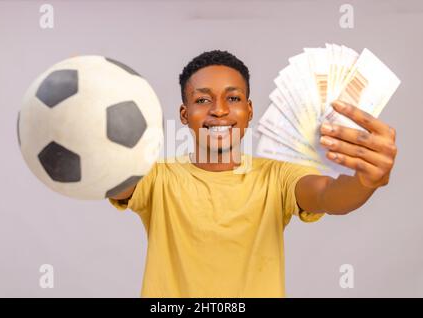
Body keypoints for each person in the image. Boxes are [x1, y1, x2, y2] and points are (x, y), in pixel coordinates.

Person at [109, 50, 397, 297]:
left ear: (249, 110)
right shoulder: (158, 178)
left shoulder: (277, 175)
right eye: (202, 100)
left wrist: (365, 181)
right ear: (184, 115)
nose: (219, 110)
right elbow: (113, 181)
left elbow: (328, 196)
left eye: (233, 99)